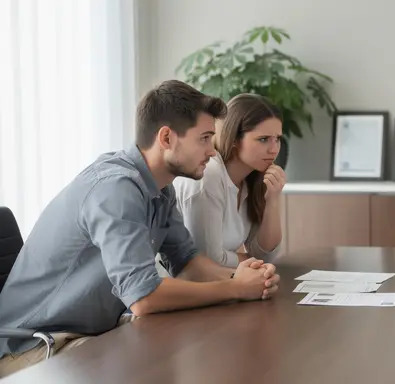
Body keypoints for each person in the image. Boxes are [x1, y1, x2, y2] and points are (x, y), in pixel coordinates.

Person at [0, 80, 280, 377]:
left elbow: (187, 262)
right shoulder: (115, 188)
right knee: (156, 366)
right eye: (205, 138)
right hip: (32, 347)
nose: (213, 151)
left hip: (82, 333)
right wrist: (235, 287)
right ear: (167, 138)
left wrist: (250, 278)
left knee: (193, 346)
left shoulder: (161, 188)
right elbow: (143, 298)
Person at [172, 93, 285, 268]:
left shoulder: (253, 178)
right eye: (263, 139)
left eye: (277, 139)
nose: (274, 149)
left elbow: (264, 254)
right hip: (182, 287)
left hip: (221, 284)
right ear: (233, 139)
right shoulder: (209, 174)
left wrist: (273, 200)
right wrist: (252, 263)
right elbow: (209, 261)